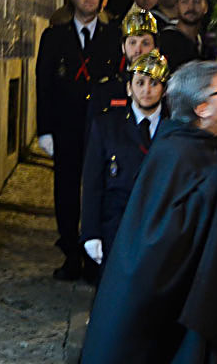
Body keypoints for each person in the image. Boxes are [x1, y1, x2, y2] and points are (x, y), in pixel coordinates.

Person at [81, 61, 217, 363]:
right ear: (201, 108)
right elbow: (165, 233)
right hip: (165, 319)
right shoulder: (175, 152)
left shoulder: (202, 146)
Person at [35, 0, 123, 280]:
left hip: (101, 127)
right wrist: (43, 129)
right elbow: (43, 84)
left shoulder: (114, 37)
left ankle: (94, 255)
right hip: (66, 125)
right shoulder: (54, 37)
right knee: (67, 189)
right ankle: (71, 252)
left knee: (99, 188)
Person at [81, 50, 171, 269]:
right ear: (129, 88)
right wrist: (90, 233)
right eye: (140, 83)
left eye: (154, 83)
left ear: (164, 89)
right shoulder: (106, 125)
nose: (146, 90)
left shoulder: (174, 127)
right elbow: (93, 183)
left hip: (162, 229)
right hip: (117, 226)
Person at [157, 0, 215, 73]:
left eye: (197, 1)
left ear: (205, 8)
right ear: (176, 6)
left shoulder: (204, 42)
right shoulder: (167, 41)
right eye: (184, 1)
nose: (190, 7)